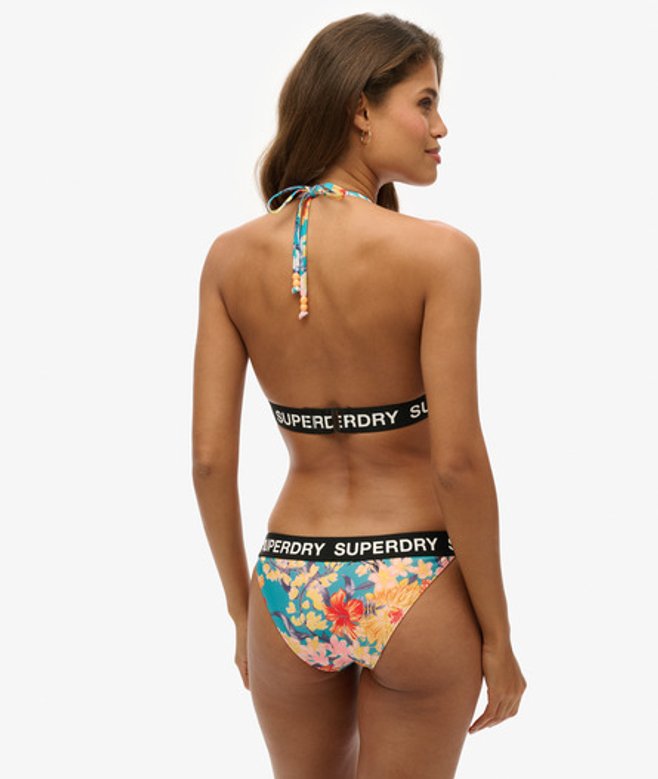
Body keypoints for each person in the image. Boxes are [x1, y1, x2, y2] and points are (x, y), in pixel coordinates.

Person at [192, 11, 527, 779]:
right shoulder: (440, 254)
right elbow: (458, 464)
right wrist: (498, 634)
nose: (440, 127)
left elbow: (209, 460)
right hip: (412, 580)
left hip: (288, 582)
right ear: (361, 109)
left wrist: (243, 613)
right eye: (425, 102)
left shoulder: (229, 259)